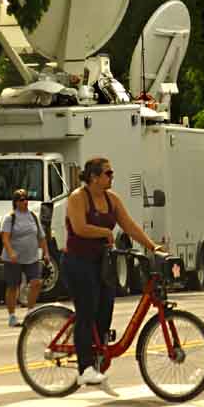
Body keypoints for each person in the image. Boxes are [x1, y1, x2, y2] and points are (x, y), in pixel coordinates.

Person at [64, 157, 163, 393]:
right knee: (87, 310)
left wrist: (152, 246)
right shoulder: (78, 198)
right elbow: (78, 228)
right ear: (94, 177)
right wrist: (104, 232)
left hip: (101, 264)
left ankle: (97, 363)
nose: (112, 177)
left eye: (111, 173)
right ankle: (84, 368)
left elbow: (129, 225)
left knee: (105, 309)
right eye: (108, 173)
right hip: (78, 262)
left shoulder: (112, 199)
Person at [0, 189, 50, 327]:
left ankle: (30, 311)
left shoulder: (33, 216)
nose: (25, 202)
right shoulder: (10, 217)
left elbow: (41, 236)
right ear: (16, 202)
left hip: (32, 256)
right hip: (14, 258)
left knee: (36, 282)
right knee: (13, 286)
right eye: (22, 200)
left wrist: (46, 253)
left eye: (26, 199)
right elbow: (5, 237)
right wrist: (10, 252)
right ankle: (11, 315)